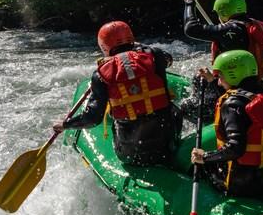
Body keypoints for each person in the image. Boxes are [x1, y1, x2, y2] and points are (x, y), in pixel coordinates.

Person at [53, 20, 181, 166]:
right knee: (173, 109)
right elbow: (168, 59)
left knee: (114, 113)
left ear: (104, 47)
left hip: (131, 153)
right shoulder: (155, 56)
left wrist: (65, 124)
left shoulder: (100, 75)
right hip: (167, 144)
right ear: (132, 39)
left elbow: (93, 119)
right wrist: (141, 47)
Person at [190, 50, 263, 197]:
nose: (219, 81)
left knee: (198, 165)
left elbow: (236, 149)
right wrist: (212, 80)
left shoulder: (232, 104)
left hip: (243, 184)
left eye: (220, 76)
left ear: (233, 75)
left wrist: (204, 157)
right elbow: (240, 96)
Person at [181, 0, 263, 120]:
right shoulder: (254, 25)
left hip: (234, 87)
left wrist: (189, 1)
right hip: (255, 82)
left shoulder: (230, 29)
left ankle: (211, 121)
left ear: (224, 12)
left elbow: (191, 29)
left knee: (188, 105)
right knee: (198, 78)